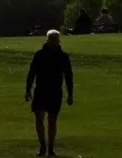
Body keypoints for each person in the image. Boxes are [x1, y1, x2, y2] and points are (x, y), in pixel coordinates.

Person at [25, 29, 74, 157]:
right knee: (39, 119)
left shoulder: (63, 56)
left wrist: (70, 94)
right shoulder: (40, 55)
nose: (55, 42)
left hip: (55, 91)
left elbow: (69, 76)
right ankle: (43, 146)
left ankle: (50, 147)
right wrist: (28, 89)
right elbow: (32, 73)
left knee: (52, 120)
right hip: (41, 90)